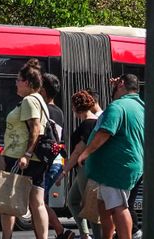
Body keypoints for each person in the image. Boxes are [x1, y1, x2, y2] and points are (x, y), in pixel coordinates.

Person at [78, 74, 144, 239]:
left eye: (116, 85)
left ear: (121, 84)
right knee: (103, 205)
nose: (112, 89)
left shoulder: (118, 106)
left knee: (119, 206)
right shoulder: (140, 106)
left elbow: (106, 131)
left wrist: (86, 152)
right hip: (124, 166)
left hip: (115, 167)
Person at [0, 59, 50, 239]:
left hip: (20, 158)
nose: (15, 83)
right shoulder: (40, 100)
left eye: (18, 80)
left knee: (7, 202)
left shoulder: (29, 100)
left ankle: (6, 237)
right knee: (37, 202)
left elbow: (35, 128)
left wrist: (26, 154)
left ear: (27, 83)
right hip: (35, 158)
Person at [56, 90, 99, 239]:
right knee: (73, 200)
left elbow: (77, 153)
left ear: (75, 107)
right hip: (91, 168)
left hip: (85, 169)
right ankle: (85, 234)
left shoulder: (87, 125)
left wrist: (64, 172)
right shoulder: (97, 121)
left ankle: (95, 235)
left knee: (89, 207)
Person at [41, 73, 74, 239]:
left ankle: (61, 232)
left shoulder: (43, 109)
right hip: (57, 161)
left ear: (44, 90)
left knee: (38, 201)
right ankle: (57, 232)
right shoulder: (59, 111)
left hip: (49, 161)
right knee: (40, 201)